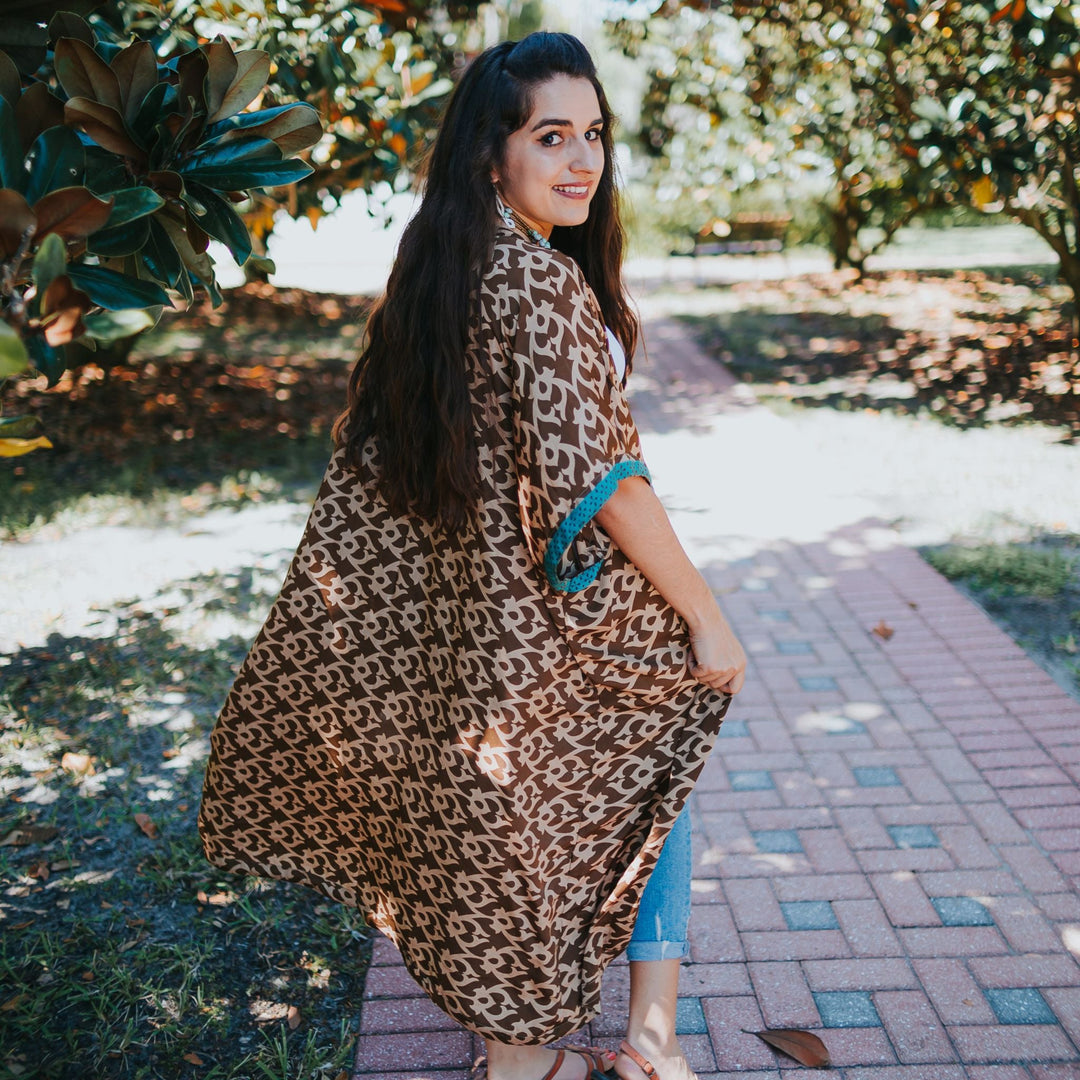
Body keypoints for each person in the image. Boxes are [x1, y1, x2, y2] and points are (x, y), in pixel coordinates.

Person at [198, 30, 746, 1080]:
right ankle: (646, 1045)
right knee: (659, 760)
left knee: (550, 811)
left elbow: (382, 482)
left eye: (594, 135)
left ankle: (520, 1055)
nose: (584, 159)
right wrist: (706, 614)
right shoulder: (539, 284)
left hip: (475, 633)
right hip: (542, 625)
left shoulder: (444, 275)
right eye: (552, 136)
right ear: (492, 154)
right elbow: (611, 484)